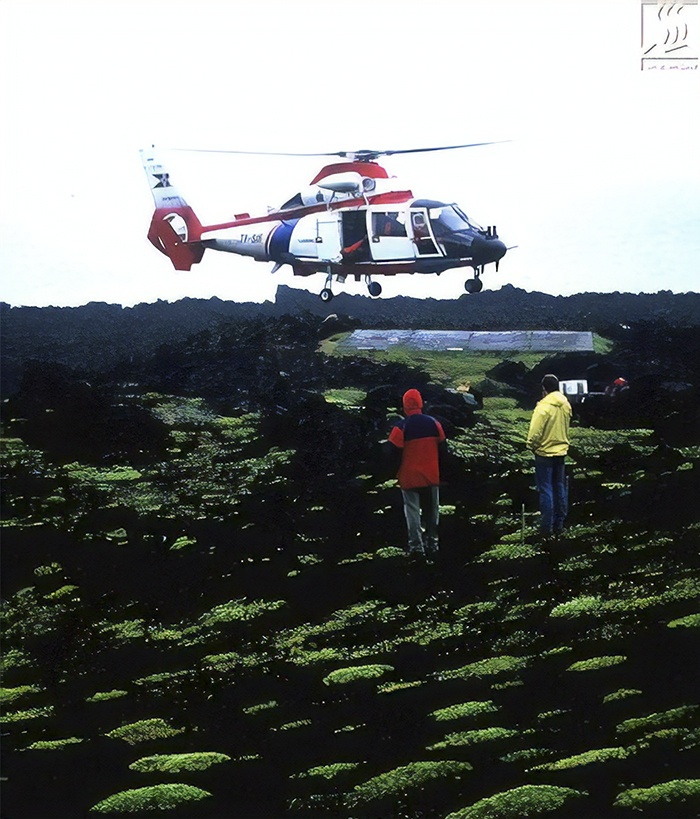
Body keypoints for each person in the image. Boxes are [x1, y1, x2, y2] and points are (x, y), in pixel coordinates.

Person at [388, 389, 446, 560]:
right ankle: (433, 545)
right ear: (421, 403)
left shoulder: (400, 427)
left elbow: (391, 453)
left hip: (409, 477)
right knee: (432, 511)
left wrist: (392, 473)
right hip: (431, 476)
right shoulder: (435, 424)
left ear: (405, 406)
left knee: (412, 512)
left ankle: (416, 548)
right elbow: (444, 450)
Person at [526, 374, 572, 538]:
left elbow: (535, 431)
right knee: (559, 487)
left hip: (544, 453)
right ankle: (559, 524)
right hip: (561, 452)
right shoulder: (566, 404)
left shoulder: (543, 406)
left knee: (546, 489)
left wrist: (531, 445)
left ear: (544, 388)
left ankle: (546, 528)